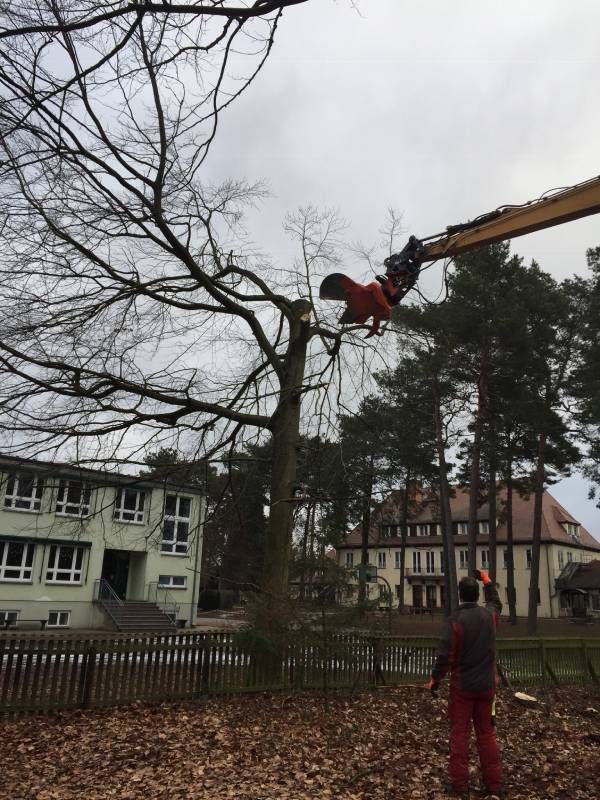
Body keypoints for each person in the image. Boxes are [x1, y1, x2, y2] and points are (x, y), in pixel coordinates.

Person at [428, 570, 504, 797]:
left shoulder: (456, 621)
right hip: (487, 687)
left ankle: (459, 785)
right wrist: (487, 579)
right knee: (487, 734)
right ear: (476, 594)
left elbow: (445, 656)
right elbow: (496, 603)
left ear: (460, 595)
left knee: (460, 735)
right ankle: (495, 784)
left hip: (463, 689)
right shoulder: (489, 616)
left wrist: (435, 680)